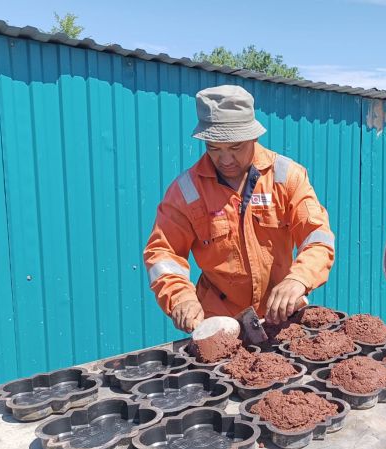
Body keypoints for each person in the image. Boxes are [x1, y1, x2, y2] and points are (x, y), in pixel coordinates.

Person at [144, 85, 335, 332]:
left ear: (254, 137)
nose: (225, 160)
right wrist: (181, 297)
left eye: (235, 148)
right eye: (214, 148)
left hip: (280, 317)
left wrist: (299, 278)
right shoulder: (186, 191)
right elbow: (163, 253)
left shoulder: (287, 177)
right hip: (218, 324)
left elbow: (317, 236)